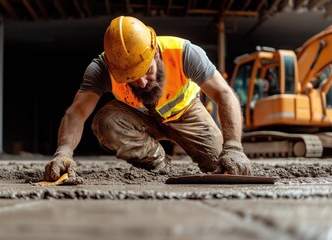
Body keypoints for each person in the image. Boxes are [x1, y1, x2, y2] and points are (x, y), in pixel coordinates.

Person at [44, 16, 253, 184]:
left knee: (221, 162)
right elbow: (77, 111)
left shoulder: (184, 53)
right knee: (106, 122)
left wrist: (234, 147)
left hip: (186, 114)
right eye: (131, 79)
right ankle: (159, 165)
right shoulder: (101, 69)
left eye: (147, 71)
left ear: (155, 52)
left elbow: (224, 94)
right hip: (138, 116)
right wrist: (63, 153)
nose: (143, 83)